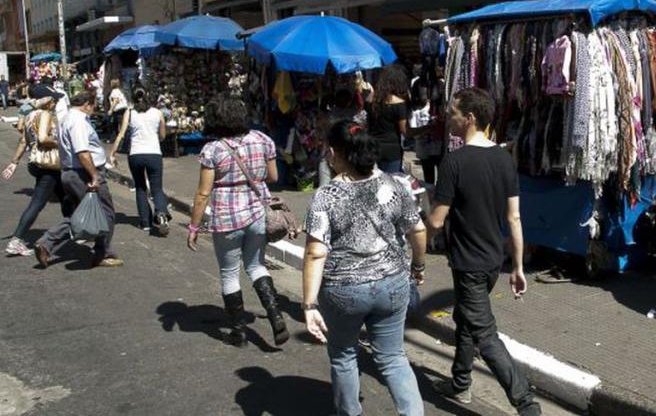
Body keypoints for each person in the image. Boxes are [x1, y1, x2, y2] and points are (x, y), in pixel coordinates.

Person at [427, 88, 541, 415]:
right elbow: (514, 217)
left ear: (470, 118)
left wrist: (414, 235)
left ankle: (526, 404)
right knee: (466, 320)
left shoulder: (454, 162)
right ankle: (460, 383)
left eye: (452, 113)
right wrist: (517, 266)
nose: (447, 117)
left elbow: (436, 220)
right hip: (492, 261)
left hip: (469, 264)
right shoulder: (504, 159)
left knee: (485, 334)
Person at [303, 120, 428, 416]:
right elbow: (418, 230)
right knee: (393, 358)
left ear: (334, 153)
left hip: (343, 291)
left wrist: (309, 304)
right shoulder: (394, 184)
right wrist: (418, 266)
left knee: (344, 355)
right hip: (392, 283)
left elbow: (315, 253)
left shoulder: (325, 196)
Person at [186, 94, 290, 347]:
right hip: (257, 214)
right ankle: (276, 316)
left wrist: (194, 226)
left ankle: (238, 332)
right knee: (256, 266)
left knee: (229, 273)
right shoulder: (262, 139)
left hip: (227, 218)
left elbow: (203, 193)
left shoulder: (213, 149)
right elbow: (273, 177)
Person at [34, 92, 123, 268]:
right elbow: (82, 151)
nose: (93, 110)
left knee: (81, 214)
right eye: (93, 106)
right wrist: (94, 176)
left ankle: (46, 244)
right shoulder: (78, 121)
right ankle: (102, 253)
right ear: (87, 104)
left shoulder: (66, 118)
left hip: (71, 172)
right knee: (105, 213)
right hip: (83, 173)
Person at [2, 88, 65, 256]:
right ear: (46, 100)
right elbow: (43, 138)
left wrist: (14, 162)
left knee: (65, 196)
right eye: (54, 99)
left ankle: (75, 228)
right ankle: (16, 239)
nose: (55, 103)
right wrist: (61, 142)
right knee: (37, 202)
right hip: (48, 164)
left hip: (38, 164)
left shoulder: (30, 116)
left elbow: (24, 141)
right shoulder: (45, 115)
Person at [109, 88, 171, 236]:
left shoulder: (130, 113)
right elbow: (163, 135)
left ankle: (145, 222)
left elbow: (121, 134)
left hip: (135, 154)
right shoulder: (157, 113)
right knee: (156, 188)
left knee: (140, 187)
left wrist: (112, 153)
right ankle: (161, 212)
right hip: (154, 154)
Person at [368, 65, 409, 174]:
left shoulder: (371, 98)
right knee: (391, 181)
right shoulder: (399, 103)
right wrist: (425, 129)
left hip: (372, 147)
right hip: (391, 150)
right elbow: (405, 131)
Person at [408, 78, 444, 185]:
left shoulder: (436, 107)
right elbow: (414, 132)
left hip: (438, 147)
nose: (425, 95)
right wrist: (428, 128)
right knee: (428, 179)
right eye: (422, 91)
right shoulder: (414, 111)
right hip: (424, 149)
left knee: (442, 177)